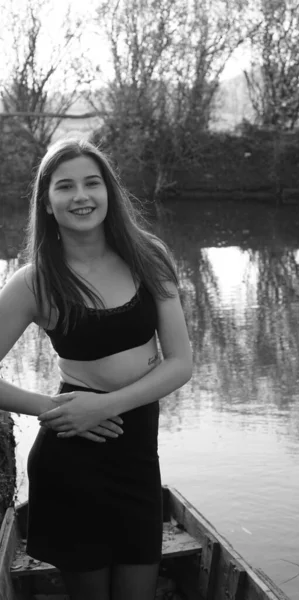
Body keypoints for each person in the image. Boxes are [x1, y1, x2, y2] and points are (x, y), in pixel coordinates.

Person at [0, 138, 193, 600]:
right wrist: (54, 409)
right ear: (47, 203)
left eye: (92, 183)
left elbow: (181, 363)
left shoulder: (149, 257)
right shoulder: (34, 281)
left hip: (139, 455)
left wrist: (105, 407)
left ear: (110, 192)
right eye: (65, 187)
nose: (81, 196)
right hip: (72, 460)